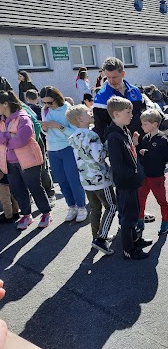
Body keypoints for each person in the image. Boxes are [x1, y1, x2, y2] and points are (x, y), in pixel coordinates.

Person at [105, 96, 152, 260]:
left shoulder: (124, 130)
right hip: (126, 184)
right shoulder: (113, 137)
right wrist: (133, 175)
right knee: (128, 217)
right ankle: (129, 250)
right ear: (116, 114)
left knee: (134, 213)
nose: (132, 115)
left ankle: (135, 240)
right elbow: (118, 165)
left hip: (132, 181)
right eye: (128, 112)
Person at [66, 104, 116, 255]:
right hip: (100, 179)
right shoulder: (91, 136)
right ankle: (101, 239)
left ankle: (97, 236)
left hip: (86, 180)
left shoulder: (75, 137)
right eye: (87, 112)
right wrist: (107, 144)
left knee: (95, 209)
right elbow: (99, 157)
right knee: (111, 206)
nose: (91, 113)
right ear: (80, 119)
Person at [0, 91, 52, 230]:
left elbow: (22, 139)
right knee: (18, 190)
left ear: (5, 104)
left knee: (35, 188)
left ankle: (46, 213)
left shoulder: (23, 117)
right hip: (9, 162)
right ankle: (26, 215)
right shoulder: (2, 120)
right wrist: (9, 135)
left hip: (27, 161)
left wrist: (6, 140)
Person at [39, 86, 87, 222]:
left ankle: (81, 206)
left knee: (73, 179)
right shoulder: (45, 110)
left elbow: (77, 132)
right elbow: (46, 132)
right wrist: (44, 128)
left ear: (57, 99)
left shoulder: (68, 109)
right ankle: (71, 207)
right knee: (62, 181)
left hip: (68, 148)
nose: (47, 105)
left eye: (50, 102)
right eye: (44, 102)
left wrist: (59, 126)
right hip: (52, 150)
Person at [133, 109, 168, 235]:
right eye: (142, 124)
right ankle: (140, 219)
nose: (142, 126)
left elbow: (163, 158)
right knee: (140, 198)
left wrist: (145, 152)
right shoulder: (145, 137)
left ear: (154, 124)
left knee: (161, 200)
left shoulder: (162, 139)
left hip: (156, 176)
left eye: (145, 124)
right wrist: (138, 145)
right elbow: (140, 154)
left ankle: (165, 221)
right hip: (144, 175)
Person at [93, 57, 145, 143]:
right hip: (120, 144)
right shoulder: (101, 97)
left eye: (115, 77)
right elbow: (100, 127)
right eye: (108, 77)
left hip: (140, 140)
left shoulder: (135, 91)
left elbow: (143, 114)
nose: (111, 81)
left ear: (123, 74)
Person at [24, 89, 56, 205]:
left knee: (42, 168)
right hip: (18, 146)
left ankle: (50, 194)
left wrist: (35, 140)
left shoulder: (21, 107)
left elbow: (36, 124)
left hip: (34, 141)